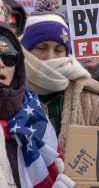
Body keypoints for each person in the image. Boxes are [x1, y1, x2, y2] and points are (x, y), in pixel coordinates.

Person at [20, 0, 99, 154]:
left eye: (59, 50)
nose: (50, 57)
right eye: (41, 48)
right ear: (27, 51)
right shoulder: (10, 90)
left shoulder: (89, 96)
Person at [0, 21, 74, 188]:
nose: (1, 64)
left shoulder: (33, 112)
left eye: (8, 57)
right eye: (42, 47)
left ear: (18, 67)